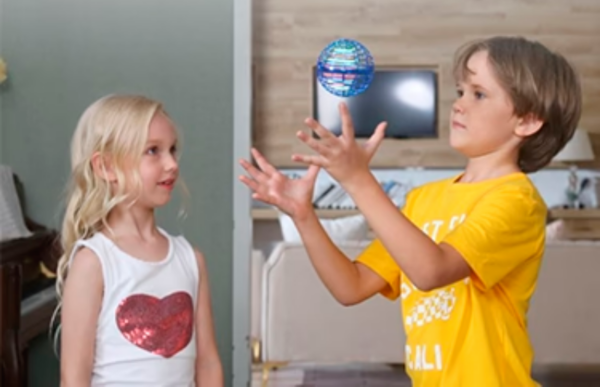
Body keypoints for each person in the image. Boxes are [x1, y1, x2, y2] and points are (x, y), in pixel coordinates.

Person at [239, 36, 582, 386]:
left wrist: (359, 181)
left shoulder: (517, 202)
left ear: (526, 122)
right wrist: (303, 215)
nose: (459, 105)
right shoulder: (423, 199)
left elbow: (431, 271)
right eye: (461, 90)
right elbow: (351, 286)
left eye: (478, 94)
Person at [55, 94, 223, 386]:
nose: (171, 163)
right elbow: (74, 376)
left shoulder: (190, 259)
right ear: (106, 167)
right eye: (153, 151)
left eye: (172, 149)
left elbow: (207, 363)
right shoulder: (93, 262)